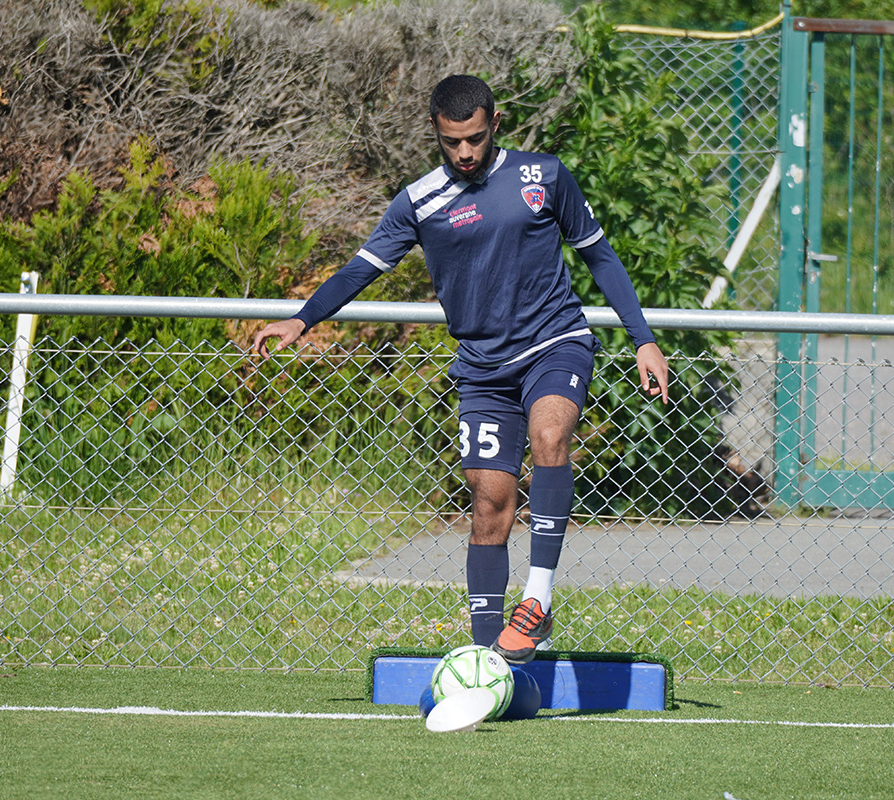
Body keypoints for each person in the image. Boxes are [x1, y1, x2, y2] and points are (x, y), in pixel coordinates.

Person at [253, 74, 669, 663]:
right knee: (489, 503)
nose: (465, 153)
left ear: (495, 125)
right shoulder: (419, 201)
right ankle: (487, 662)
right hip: (482, 368)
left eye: (474, 138)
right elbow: (360, 268)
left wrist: (643, 339)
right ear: (437, 134)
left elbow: (598, 254)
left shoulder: (543, 176)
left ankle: (538, 602)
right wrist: (303, 319)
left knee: (551, 435)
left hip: (555, 342)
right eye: (452, 142)